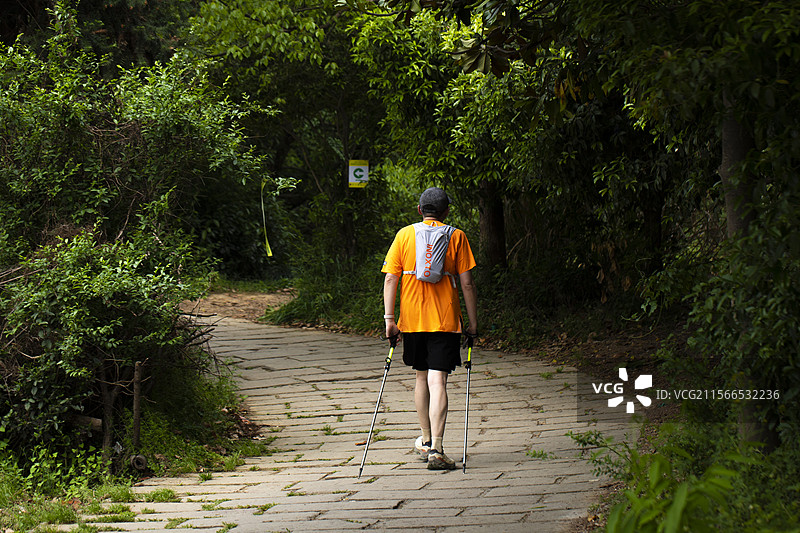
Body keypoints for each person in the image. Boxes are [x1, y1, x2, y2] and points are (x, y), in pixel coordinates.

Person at [382, 187, 478, 470]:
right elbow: (467, 283)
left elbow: (390, 280)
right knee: (439, 382)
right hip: (446, 320)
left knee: (420, 378)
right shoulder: (456, 236)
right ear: (446, 211)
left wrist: (390, 320)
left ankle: (424, 441)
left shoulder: (404, 235)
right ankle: (437, 447)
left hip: (412, 320)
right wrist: (472, 323)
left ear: (420, 209)